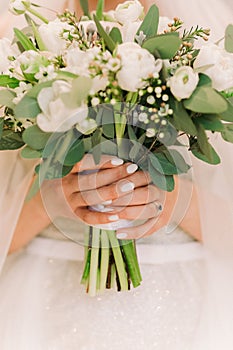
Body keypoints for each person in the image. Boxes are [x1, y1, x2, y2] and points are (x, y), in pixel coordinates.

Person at [0, 1, 232, 349]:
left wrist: (168, 200)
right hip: (45, 301)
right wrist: (55, 200)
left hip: (182, 306)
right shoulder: (19, 41)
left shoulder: (210, 45)